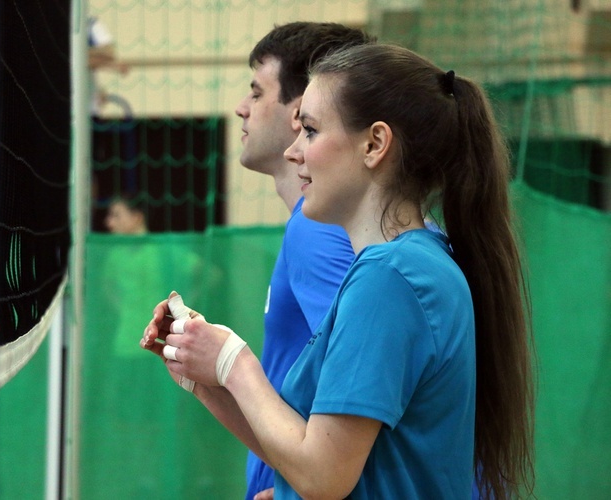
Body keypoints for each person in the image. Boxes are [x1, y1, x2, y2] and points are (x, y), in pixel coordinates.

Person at [141, 43, 535, 499]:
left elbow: (325, 476)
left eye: (309, 130)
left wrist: (234, 361)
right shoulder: (396, 267)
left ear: (374, 144)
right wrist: (207, 375)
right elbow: (316, 451)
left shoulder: (393, 278)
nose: (293, 152)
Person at [234, 23, 374, 499]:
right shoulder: (320, 226)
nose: (241, 108)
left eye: (257, 91)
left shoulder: (321, 232)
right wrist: (211, 374)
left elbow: (374, 382)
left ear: (299, 113)